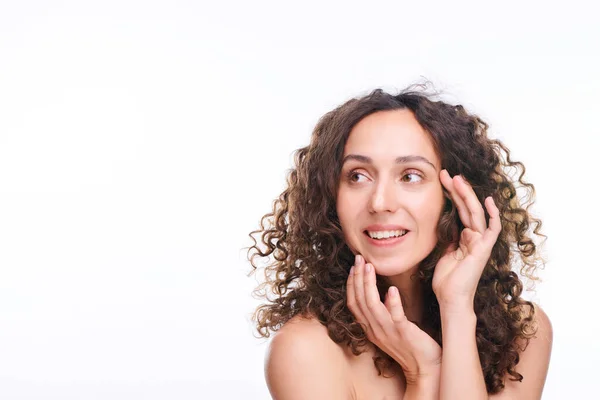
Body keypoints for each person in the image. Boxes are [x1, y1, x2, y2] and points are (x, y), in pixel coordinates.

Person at [247, 83, 553, 399]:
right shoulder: (304, 351)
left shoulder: (523, 333)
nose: (380, 202)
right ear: (330, 198)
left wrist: (457, 308)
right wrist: (423, 374)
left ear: (456, 197)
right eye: (357, 176)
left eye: (410, 176)